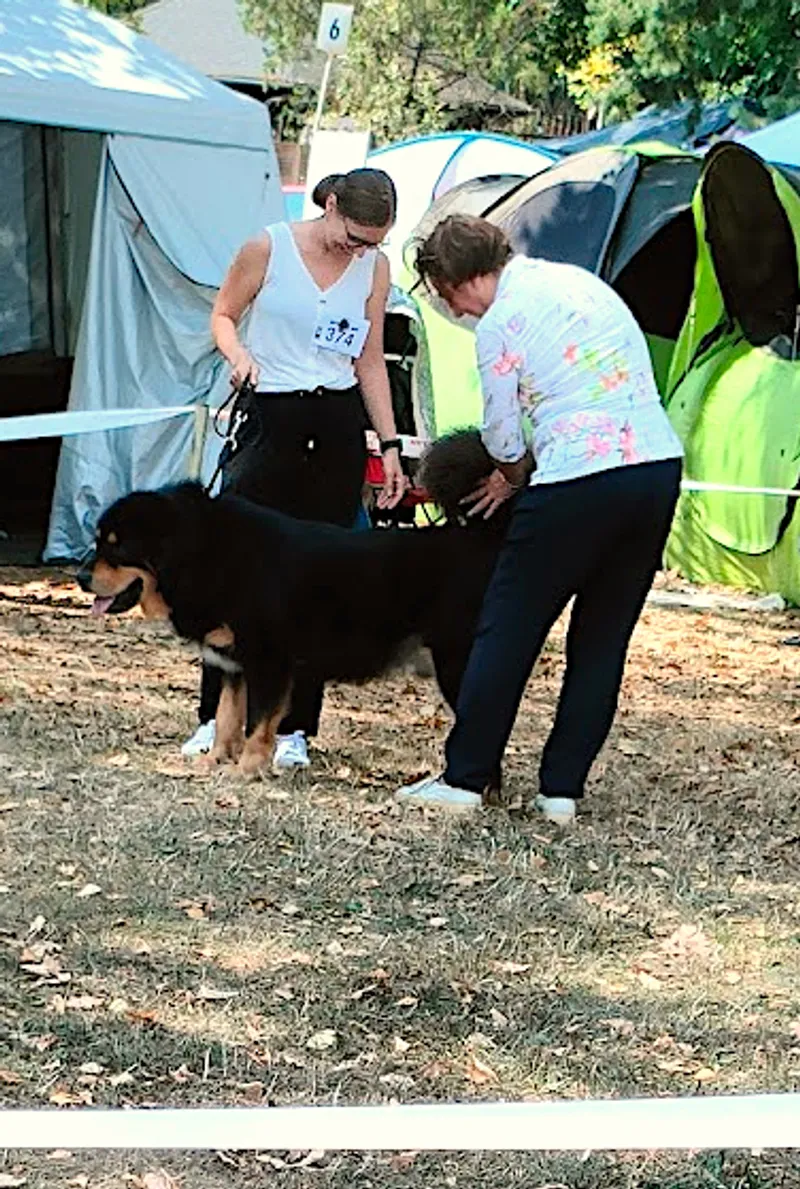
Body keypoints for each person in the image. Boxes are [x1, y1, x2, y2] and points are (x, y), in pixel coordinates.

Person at [397, 214, 683, 824]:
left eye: (446, 296)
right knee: (602, 638)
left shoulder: (500, 323)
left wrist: (511, 473)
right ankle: (561, 792)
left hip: (577, 476)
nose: (455, 310)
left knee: (507, 628)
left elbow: (502, 436)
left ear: (457, 279)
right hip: (655, 466)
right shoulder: (581, 283)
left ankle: (466, 777)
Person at [182, 168, 406, 770]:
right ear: (330, 206)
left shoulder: (373, 268)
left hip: (334, 422)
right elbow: (223, 315)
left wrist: (388, 445)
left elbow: (370, 359)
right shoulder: (269, 247)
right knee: (235, 571)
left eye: (372, 243)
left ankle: (293, 726)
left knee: (318, 576)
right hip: (270, 413)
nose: (358, 251)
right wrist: (238, 354)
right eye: (353, 237)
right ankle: (214, 718)